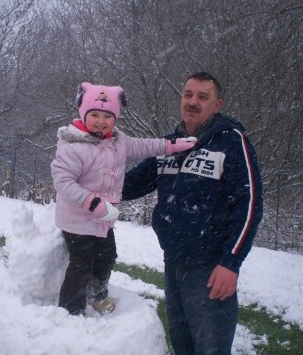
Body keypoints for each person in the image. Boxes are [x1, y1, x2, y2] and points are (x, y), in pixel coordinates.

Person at [122, 72, 263, 355]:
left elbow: (250, 203)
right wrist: (88, 181)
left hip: (210, 266)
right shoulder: (171, 144)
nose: (192, 101)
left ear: (217, 105)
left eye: (202, 96)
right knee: (186, 347)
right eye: (187, 94)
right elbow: (131, 183)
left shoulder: (230, 142)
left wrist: (231, 262)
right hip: (175, 263)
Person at [51, 82, 196, 316]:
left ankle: (96, 295)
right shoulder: (73, 145)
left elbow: (146, 146)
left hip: (103, 219)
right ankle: (70, 310)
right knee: (82, 263)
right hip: (77, 219)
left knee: (107, 256)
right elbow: (63, 181)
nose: (101, 121)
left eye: (107, 116)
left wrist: (173, 146)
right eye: (94, 114)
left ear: (115, 117)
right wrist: (93, 203)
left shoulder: (119, 141)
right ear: (83, 114)